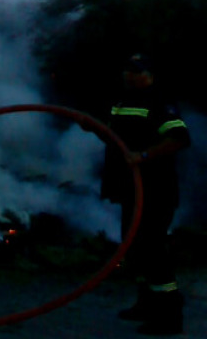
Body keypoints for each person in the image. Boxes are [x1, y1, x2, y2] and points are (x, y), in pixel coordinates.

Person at [102, 54, 191, 335]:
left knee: (153, 250)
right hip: (129, 189)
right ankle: (146, 304)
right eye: (127, 69)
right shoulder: (122, 101)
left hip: (155, 190)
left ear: (149, 75)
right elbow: (113, 135)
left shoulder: (159, 101)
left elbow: (179, 139)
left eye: (136, 71)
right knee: (135, 247)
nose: (129, 75)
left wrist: (142, 156)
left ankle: (169, 316)